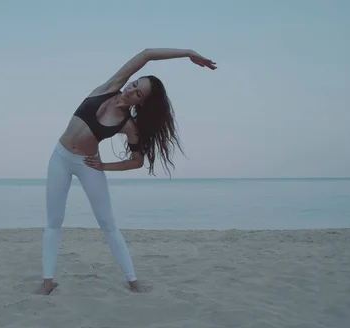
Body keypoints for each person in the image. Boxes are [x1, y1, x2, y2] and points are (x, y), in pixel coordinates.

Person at [40, 48, 217, 295]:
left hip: (87, 164)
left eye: (139, 93)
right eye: (134, 84)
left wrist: (104, 166)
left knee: (108, 223)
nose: (132, 90)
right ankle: (47, 282)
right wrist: (187, 53)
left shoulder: (128, 125)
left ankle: (132, 281)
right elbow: (147, 54)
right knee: (54, 221)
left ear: (141, 102)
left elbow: (137, 161)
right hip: (59, 157)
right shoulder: (109, 87)